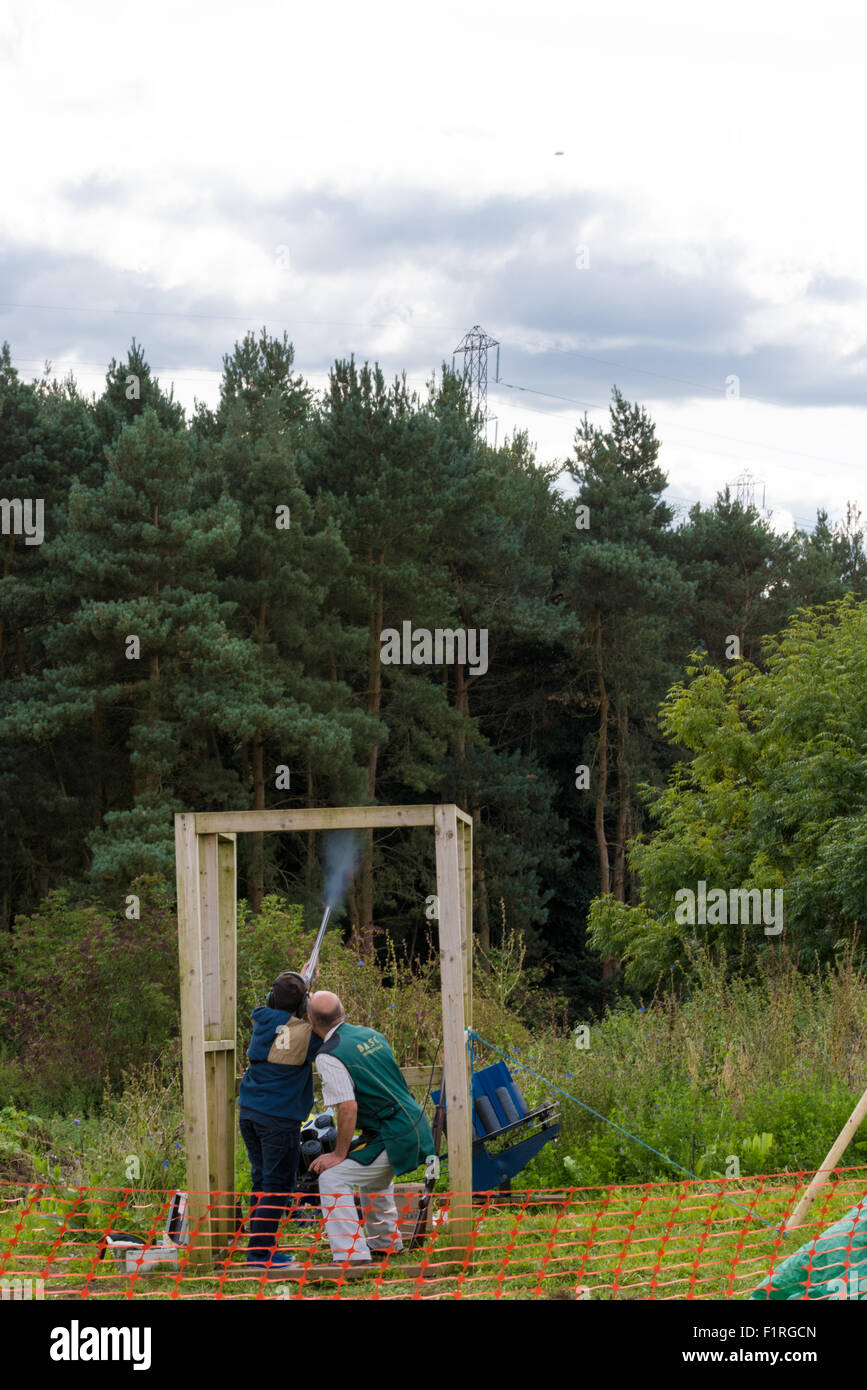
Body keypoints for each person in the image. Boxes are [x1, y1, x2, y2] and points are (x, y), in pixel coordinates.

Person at [307, 990, 434, 1265]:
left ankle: (350, 1256)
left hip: (394, 1133)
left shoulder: (328, 1056)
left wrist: (339, 1154)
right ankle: (384, 1242)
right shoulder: (369, 1034)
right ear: (343, 1012)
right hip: (412, 1123)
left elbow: (348, 1108)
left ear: (311, 1021)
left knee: (332, 1177)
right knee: (372, 1177)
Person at [237, 962, 320, 1268]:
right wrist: (309, 999)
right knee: (277, 1184)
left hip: (250, 1113)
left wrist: (303, 985)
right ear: (301, 1004)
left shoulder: (262, 1020)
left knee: (261, 1180)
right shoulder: (304, 1035)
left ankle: (258, 1247)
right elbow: (328, 1025)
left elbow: (284, 1016)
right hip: (277, 1119)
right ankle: (260, 1253)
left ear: (271, 998)